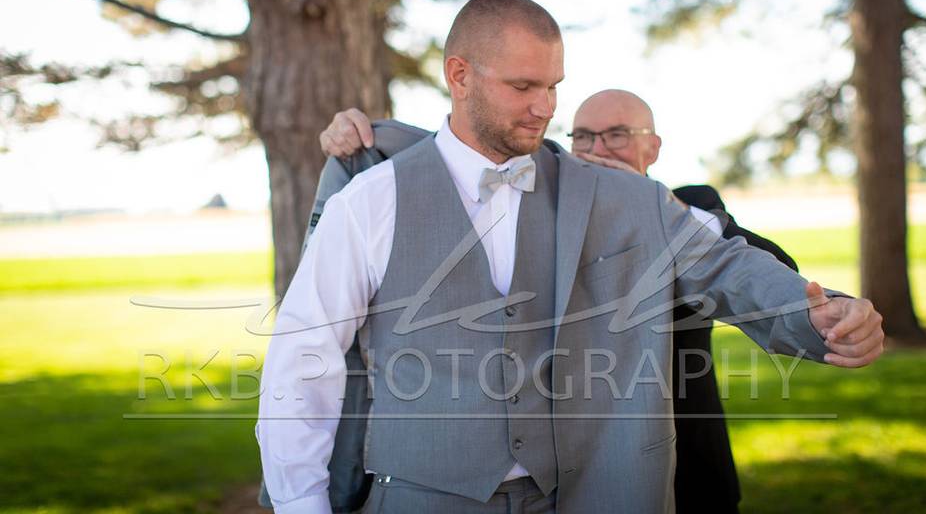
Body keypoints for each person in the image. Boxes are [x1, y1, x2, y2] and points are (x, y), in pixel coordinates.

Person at [256, 0, 884, 514]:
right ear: (459, 74)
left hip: (585, 495)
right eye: (523, 86)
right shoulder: (371, 200)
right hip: (417, 498)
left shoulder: (628, 200)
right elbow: (303, 359)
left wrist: (821, 316)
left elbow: (729, 267)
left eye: (553, 86)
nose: (544, 109)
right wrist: (301, 505)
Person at [310, 89, 797, 514]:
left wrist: (652, 207)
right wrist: (367, 135)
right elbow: (458, 156)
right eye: (583, 137)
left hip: (690, 458)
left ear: (653, 145)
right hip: (583, 471)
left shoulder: (688, 203)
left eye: (617, 135)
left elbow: (774, 268)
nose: (597, 149)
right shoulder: (558, 213)